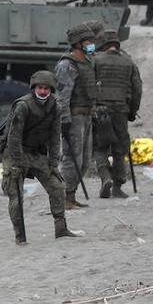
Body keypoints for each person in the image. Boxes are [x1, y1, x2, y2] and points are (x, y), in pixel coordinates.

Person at [2, 71, 79, 243]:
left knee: (57, 186)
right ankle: (20, 237)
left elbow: (54, 136)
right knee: (15, 194)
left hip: (37, 153)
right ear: (34, 88)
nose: (43, 91)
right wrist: (16, 162)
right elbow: (13, 137)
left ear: (51, 89)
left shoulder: (55, 107)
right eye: (40, 88)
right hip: (16, 152)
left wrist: (53, 164)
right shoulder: (23, 106)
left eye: (46, 88)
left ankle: (61, 228)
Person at [91, 30, 143, 199]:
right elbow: (137, 89)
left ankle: (105, 177)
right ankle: (118, 187)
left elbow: (88, 85)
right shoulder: (128, 62)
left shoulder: (95, 60)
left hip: (100, 110)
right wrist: (133, 111)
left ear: (103, 44)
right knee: (120, 149)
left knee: (100, 147)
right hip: (121, 110)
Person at [54, 23, 100, 209]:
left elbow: (92, 90)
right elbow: (62, 96)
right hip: (73, 118)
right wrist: (64, 120)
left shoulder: (88, 62)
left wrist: (94, 111)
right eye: (88, 41)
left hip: (87, 116)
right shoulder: (67, 64)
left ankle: (71, 196)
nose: (91, 44)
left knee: (85, 161)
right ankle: (64, 198)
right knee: (73, 159)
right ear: (78, 43)